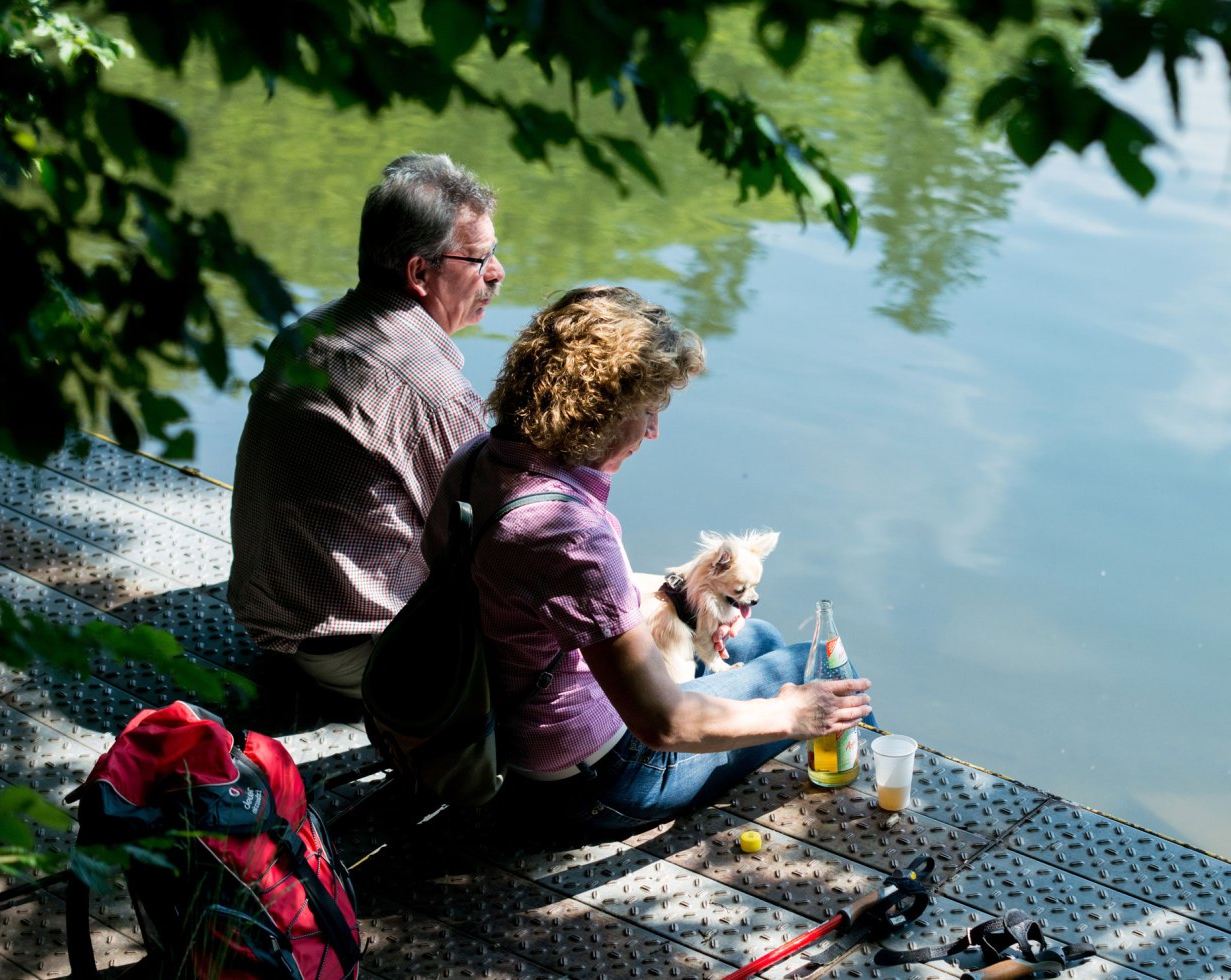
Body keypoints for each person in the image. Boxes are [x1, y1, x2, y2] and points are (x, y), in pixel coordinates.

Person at [423, 285, 872, 834]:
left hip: (494, 726)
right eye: (648, 410)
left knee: (758, 639)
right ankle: (869, 821)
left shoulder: (476, 461)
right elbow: (663, 723)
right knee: (816, 670)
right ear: (598, 411)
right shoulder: (570, 532)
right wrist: (791, 714)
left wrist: (676, 597)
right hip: (589, 779)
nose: (654, 430)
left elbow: (519, 594)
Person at [228, 153, 502, 700]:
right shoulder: (434, 391)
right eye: (477, 259)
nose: (495, 272)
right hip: (366, 656)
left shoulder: (307, 334)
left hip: (280, 628)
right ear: (419, 273)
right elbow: (496, 547)